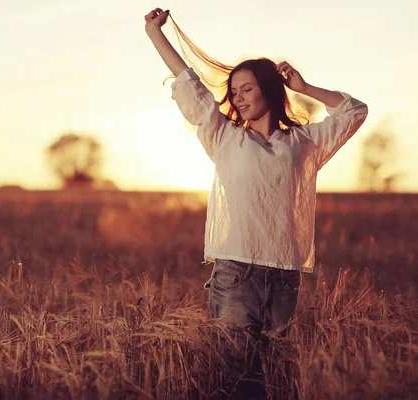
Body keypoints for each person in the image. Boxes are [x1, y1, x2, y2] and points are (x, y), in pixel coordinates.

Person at [144, 7, 368, 399]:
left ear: (270, 88)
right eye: (233, 92)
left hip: (285, 276)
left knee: (273, 381)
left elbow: (354, 110)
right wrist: (154, 33)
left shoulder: (304, 143)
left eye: (246, 88)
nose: (238, 98)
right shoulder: (225, 137)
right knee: (233, 380)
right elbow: (187, 84)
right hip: (236, 274)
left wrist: (304, 86)